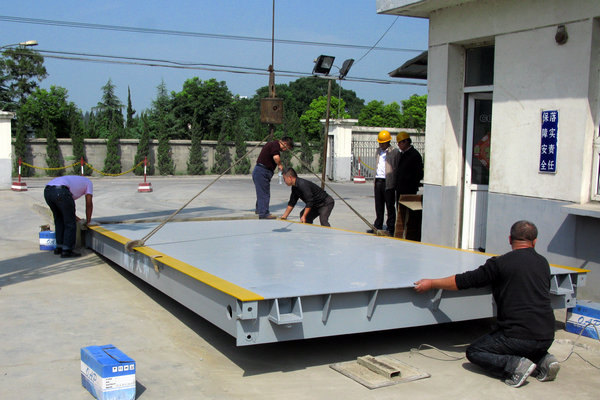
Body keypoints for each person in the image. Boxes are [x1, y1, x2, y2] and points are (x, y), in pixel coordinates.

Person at [413, 221, 560, 388]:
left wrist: (432, 283)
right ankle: (545, 360)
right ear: (535, 241)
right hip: (547, 335)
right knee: (528, 345)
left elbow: (464, 281)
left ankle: (515, 365)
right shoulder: (543, 263)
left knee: (475, 351)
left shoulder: (500, 264)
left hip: (517, 336)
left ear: (509, 239)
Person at [44, 175, 94, 258]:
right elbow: (89, 203)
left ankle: (59, 247)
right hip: (61, 191)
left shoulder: (75, 180)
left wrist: (78, 219)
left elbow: (67, 211)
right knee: (70, 223)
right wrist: (88, 221)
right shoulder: (89, 183)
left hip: (47, 191)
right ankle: (67, 250)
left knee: (59, 220)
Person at [252, 137, 293, 219]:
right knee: (264, 193)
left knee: (262, 191)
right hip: (262, 171)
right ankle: (264, 213)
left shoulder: (273, 145)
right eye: (286, 148)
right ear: (285, 143)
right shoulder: (275, 145)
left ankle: (259, 209)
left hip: (261, 171)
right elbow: (276, 157)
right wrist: (280, 165)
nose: (285, 150)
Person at [368, 130, 399, 235]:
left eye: (383, 143)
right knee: (379, 205)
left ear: (388, 142)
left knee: (390, 206)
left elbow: (397, 166)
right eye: (380, 143)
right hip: (378, 180)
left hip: (388, 182)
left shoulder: (394, 152)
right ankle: (378, 225)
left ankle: (391, 227)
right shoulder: (378, 151)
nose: (381, 145)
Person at [395, 131, 423, 196]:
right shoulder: (402, 154)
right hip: (400, 188)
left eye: (400, 142)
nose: (398, 145)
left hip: (409, 189)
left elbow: (419, 173)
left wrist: (413, 184)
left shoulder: (414, 155)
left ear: (406, 141)